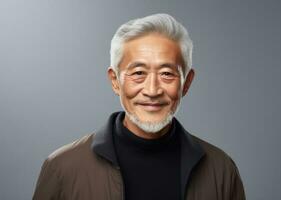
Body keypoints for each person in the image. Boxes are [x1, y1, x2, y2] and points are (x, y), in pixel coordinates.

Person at [33, 13, 246, 200]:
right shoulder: (62, 167)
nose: (152, 90)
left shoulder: (221, 169)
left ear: (186, 83)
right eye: (138, 73)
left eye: (167, 74)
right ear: (115, 81)